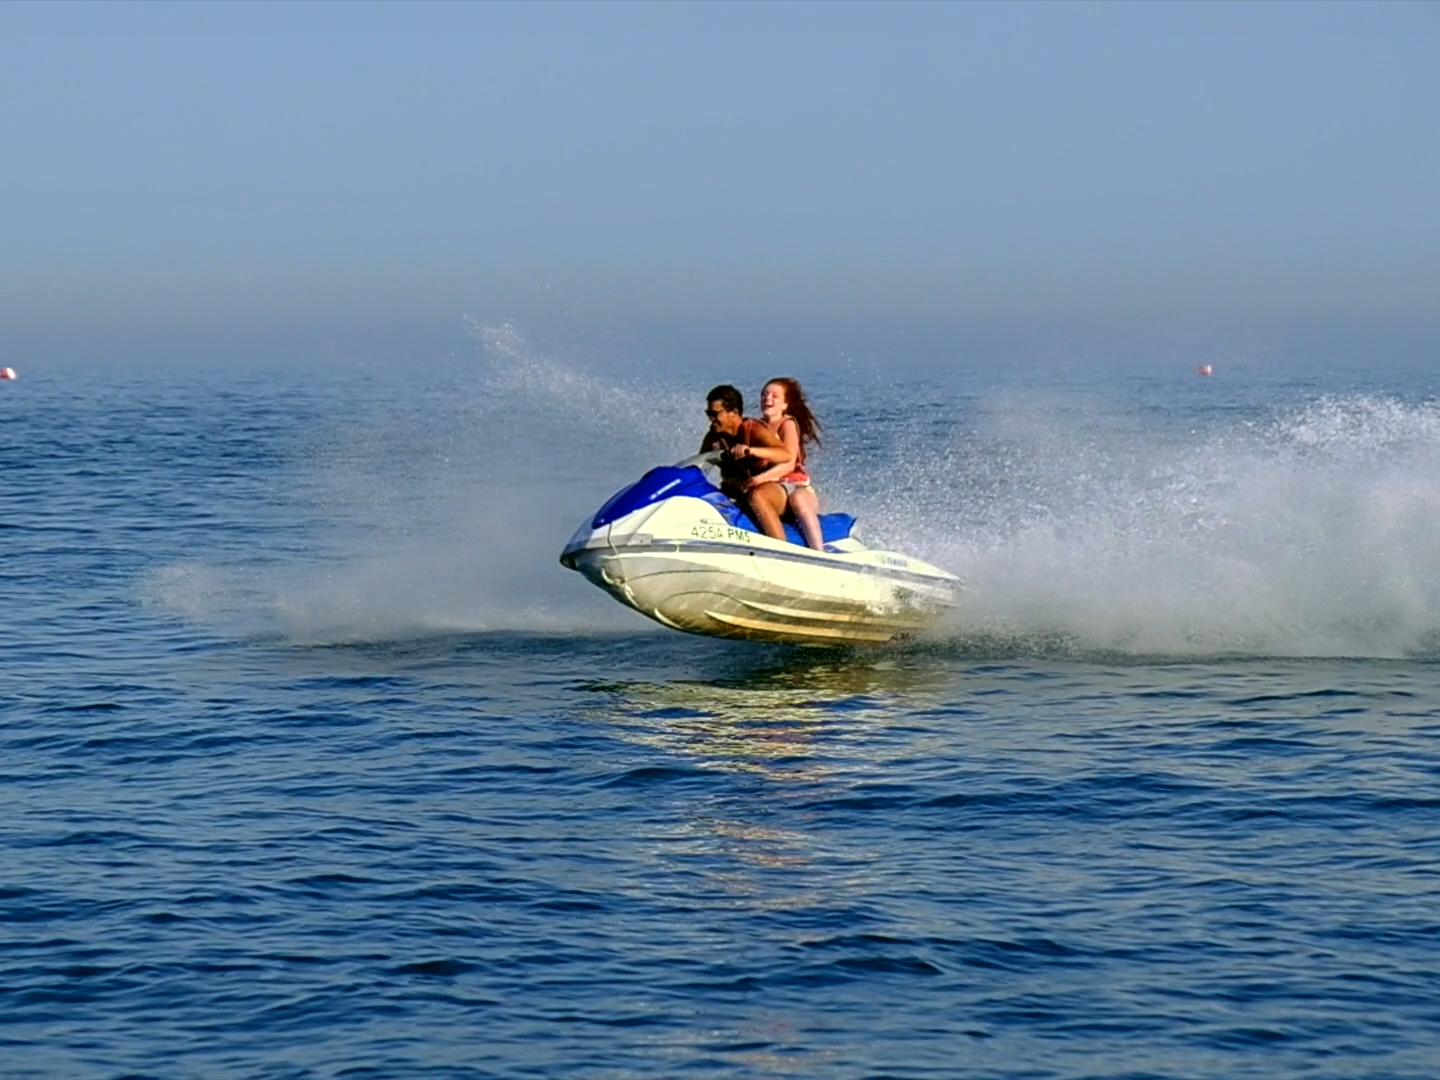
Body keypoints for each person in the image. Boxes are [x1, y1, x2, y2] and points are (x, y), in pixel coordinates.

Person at [744, 378, 824, 550]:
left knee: (798, 501)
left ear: (785, 405)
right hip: (772, 487)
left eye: (775, 396)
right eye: (764, 395)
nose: (768, 399)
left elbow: (788, 463)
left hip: (795, 486)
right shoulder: (756, 428)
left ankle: (819, 552)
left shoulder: (787, 424)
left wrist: (760, 479)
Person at [698, 384, 791, 532]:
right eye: (708, 413)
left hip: (774, 491)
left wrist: (752, 451)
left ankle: (782, 548)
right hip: (740, 494)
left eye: (715, 414)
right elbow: (699, 468)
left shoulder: (753, 430)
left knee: (756, 496)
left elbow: (785, 455)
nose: (711, 419)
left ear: (734, 412)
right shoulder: (713, 438)